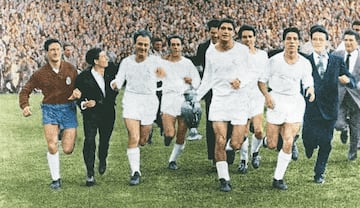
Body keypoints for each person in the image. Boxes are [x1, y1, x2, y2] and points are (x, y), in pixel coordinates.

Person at [196, 18, 250, 192]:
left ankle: (234, 146)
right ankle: (224, 179)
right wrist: (195, 98)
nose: (225, 31)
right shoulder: (211, 52)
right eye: (222, 28)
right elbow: (208, 78)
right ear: (217, 32)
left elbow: (251, 73)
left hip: (238, 100)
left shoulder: (242, 51)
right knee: (219, 140)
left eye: (229, 28)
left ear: (234, 32)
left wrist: (241, 81)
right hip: (219, 100)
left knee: (235, 144)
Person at [19, 38, 80, 190]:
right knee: (52, 146)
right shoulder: (40, 74)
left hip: (68, 109)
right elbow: (25, 90)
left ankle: (64, 135)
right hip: (50, 109)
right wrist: (25, 106)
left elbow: (81, 86)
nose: (55, 52)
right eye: (52, 49)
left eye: (57, 49)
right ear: (46, 53)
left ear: (61, 51)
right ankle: (56, 179)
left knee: (67, 149)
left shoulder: (71, 69)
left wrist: (79, 92)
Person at [259, 27, 315, 190]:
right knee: (272, 144)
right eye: (288, 39)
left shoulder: (304, 63)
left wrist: (310, 90)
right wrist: (267, 96)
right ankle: (264, 140)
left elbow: (308, 81)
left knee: (289, 141)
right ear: (284, 41)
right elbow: (262, 81)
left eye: (294, 39)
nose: (291, 42)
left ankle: (278, 178)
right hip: (276, 100)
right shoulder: (274, 60)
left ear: (298, 42)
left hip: (295, 102)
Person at [110, 29, 165, 186]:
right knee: (133, 137)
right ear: (134, 44)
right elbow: (119, 79)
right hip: (131, 100)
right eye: (140, 44)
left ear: (150, 46)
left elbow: (165, 77)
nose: (142, 47)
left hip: (149, 101)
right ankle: (135, 172)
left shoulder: (156, 61)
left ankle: (148, 130)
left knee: (142, 140)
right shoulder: (127, 62)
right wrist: (115, 84)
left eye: (146, 45)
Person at [303, 25, 355, 184]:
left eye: (321, 39)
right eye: (315, 39)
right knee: (309, 139)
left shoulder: (336, 60)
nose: (318, 42)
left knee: (326, 142)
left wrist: (348, 81)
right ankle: (309, 145)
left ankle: (319, 173)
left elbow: (350, 79)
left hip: (330, 108)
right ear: (311, 41)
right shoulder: (305, 60)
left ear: (327, 42)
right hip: (311, 108)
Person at [75, 47, 119, 186]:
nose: (106, 58)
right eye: (103, 56)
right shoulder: (83, 77)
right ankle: (90, 173)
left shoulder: (112, 70)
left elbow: (117, 85)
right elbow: (78, 95)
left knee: (104, 141)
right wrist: (84, 104)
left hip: (108, 112)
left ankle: (102, 158)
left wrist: (116, 89)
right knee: (89, 141)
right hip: (91, 114)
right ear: (95, 61)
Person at [161, 35, 201, 170]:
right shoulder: (163, 63)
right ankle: (167, 136)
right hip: (168, 99)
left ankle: (172, 160)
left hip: (184, 100)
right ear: (169, 47)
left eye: (178, 44)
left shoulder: (187, 63)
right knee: (169, 133)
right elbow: (154, 78)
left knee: (181, 132)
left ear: (182, 46)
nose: (176, 47)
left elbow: (197, 81)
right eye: (173, 45)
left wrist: (192, 82)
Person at [236, 24, 268, 174]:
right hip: (241, 97)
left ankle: (255, 153)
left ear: (255, 38)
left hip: (256, 96)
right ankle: (243, 160)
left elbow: (265, 76)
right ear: (240, 39)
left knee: (259, 131)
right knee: (243, 133)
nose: (247, 40)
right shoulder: (235, 56)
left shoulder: (262, 55)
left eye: (250, 36)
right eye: (244, 37)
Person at [192, 19, 220, 168]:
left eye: (217, 32)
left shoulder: (229, 47)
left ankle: (226, 151)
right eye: (213, 33)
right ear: (209, 32)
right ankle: (214, 156)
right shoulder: (203, 48)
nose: (215, 35)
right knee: (211, 123)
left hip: (226, 91)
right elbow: (199, 66)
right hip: (209, 90)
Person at [333, 29, 360, 160]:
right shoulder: (337, 55)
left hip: (357, 97)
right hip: (340, 95)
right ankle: (344, 128)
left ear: (357, 42)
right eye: (346, 40)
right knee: (337, 124)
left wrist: (354, 84)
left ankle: (352, 153)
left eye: (351, 40)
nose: (348, 43)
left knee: (356, 127)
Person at [148, 37, 165, 144]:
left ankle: (162, 127)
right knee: (152, 110)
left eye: (160, 44)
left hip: (162, 85)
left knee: (162, 108)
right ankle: (149, 134)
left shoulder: (162, 55)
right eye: (157, 44)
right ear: (153, 45)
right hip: (153, 85)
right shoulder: (150, 56)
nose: (159, 46)